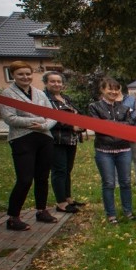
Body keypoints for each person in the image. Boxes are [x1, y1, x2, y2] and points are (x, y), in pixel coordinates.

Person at [0, 61, 57, 230]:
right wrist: (38, 120)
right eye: (20, 74)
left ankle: (41, 210)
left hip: (44, 137)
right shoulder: (7, 94)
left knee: (42, 177)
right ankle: (13, 217)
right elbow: (10, 118)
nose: (25, 77)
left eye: (28, 74)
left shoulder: (40, 93)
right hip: (22, 139)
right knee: (24, 179)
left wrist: (45, 125)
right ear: (13, 76)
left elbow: (52, 114)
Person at [88, 77, 136, 224]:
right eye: (110, 88)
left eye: (116, 89)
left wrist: (110, 125)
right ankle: (111, 214)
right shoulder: (94, 107)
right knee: (109, 183)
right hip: (104, 150)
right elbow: (98, 127)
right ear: (102, 90)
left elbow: (129, 125)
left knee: (126, 182)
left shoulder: (123, 107)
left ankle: (128, 211)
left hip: (123, 148)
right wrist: (116, 126)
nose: (113, 92)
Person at [43, 71, 86, 214]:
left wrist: (81, 124)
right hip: (56, 140)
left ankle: (68, 198)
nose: (56, 84)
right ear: (46, 83)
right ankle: (61, 203)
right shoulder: (44, 99)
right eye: (53, 81)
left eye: (59, 81)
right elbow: (48, 118)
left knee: (67, 170)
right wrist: (70, 125)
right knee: (59, 171)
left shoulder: (65, 98)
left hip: (71, 140)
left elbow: (76, 114)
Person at [118, 84, 136, 186]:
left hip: (133, 131)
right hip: (118, 135)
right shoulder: (111, 102)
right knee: (121, 158)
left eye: (116, 88)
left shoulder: (131, 99)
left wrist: (127, 119)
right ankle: (122, 180)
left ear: (120, 88)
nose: (114, 91)